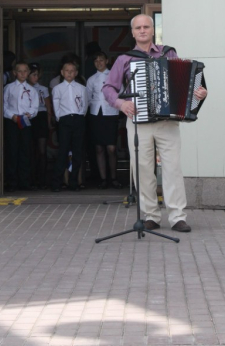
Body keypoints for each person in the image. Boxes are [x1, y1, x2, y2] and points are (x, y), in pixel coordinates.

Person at [103, 14, 207, 232]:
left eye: (146, 27)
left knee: (172, 169)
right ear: (132, 33)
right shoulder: (124, 59)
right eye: (138, 28)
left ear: (153, 30)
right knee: (142, 169)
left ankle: (177, 217)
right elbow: (108, 88)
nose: (142, 30)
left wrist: (198, 93)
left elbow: (185, 83)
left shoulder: (168, 53)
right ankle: (151, 215)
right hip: (138, 121)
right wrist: (122, 104)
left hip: (167, 122)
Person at [86, 52, 123, 189]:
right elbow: (88, 98)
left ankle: (114, 178)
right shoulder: (91, 79)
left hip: (111, 113)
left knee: (111, 148)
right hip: (96, 114)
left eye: (101, 60)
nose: (99, 63)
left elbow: (121, 93)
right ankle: (103, 179)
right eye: (96, 61)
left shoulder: (114, 76)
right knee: (99, 148)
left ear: (107, 61)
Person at [51, 61, 88, 192]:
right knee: (63, 151)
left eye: (72, 71)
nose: (69, 73)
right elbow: (56, 106)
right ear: (62, 72)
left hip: (78, 119)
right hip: (64, 120)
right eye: (67, 70)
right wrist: (60, 118)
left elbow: (85, 105)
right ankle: (57, 182)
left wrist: (80, 116)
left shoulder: (82, 88)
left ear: (76, 73)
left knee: (77, 151)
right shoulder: (57, 88)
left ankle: (74, 182)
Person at [3, 61, 39, 191]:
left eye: (25, 71)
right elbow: (3, 105)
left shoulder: (32, 90)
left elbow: (35, 107)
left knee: (25, 151)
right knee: (12, 151)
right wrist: (11, 115)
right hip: (12, 121)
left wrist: (30, 114)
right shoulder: (9, 88)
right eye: (20, 71)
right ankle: (12, 182)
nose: (23, 74)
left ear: (28, 72)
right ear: (14, 73)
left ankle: (25, 181)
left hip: (25, 122)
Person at [28, 63, 52, 189]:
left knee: (42, 150)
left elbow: (48, 107)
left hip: (41, 117)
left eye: (37, 75)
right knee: (31, 150)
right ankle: (32, 179)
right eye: (33, 75)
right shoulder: (24, 88)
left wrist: (48, 122)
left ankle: (42, 179)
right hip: (29, 117)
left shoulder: (43, 89)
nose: (35, 77)